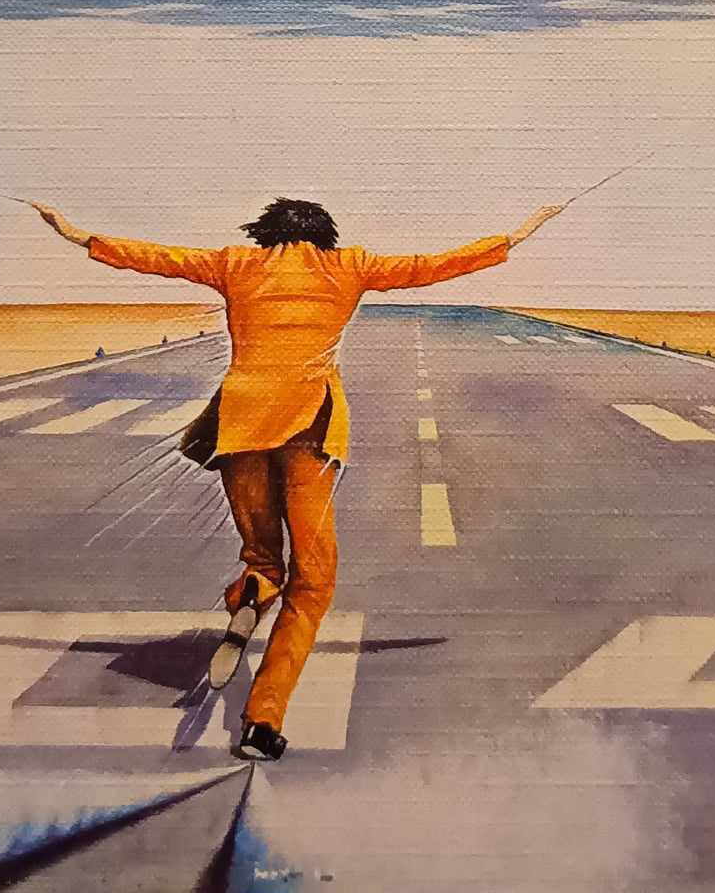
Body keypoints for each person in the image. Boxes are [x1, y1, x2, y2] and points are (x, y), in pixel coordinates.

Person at [33, 193, 565, 762]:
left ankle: (256, 588)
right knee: (313, 583)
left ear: (266, 231)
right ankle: (262, 720)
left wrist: (79, 236)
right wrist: (514, 237)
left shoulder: (236, 264)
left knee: (264, 558)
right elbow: (431, 267)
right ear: (325, 235)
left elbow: (160, 258)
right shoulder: (348, 266)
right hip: (309, 431)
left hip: (240, 427)